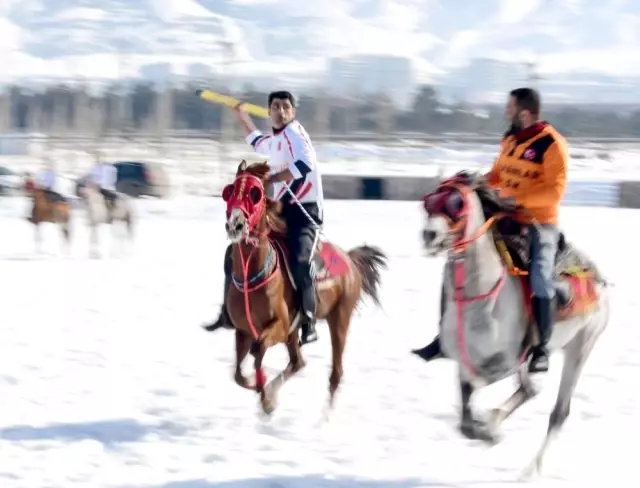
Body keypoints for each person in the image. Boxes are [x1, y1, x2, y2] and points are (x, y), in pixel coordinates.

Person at [412, 87, 568, 374]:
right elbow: (499, 173)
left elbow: (554, 193)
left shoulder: (552, 144)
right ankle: (444, 339)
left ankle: (541, 349)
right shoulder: (510, 139)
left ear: (525, 112)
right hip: (502, 215)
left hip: (538, 223)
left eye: (509, 107)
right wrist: (476, 182)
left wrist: (518, 200)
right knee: (457, 259)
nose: (506, 111)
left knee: (540, 278)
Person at [204, 90, 324, 345]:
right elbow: (257, 142)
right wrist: (241, 115)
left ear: (293, 112)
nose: (280, 111)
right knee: (236, 250)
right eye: (276, 107)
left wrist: (273, 178)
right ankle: (227, 312)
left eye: (285, 107)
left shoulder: (295, 133)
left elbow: (306, 164)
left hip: (305, 213)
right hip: (281, 210)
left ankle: (309, 320)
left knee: (301, 261)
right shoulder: (277, 138)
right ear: (269, 111)